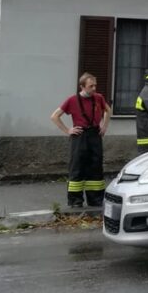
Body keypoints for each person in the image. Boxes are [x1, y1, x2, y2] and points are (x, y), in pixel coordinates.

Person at [52, 73, 110, 208]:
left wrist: (104, 126)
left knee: (95, 166)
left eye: (95, 85)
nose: (94, 88)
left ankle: (95, 199)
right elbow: (55, 116)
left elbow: (108, 110)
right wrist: (68, 131)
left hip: (95, 134)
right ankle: (75, 201)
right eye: (91, 86)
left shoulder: (99, 98)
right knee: (77, 167)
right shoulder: (71, 100)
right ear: (82, 87)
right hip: (80, 136)